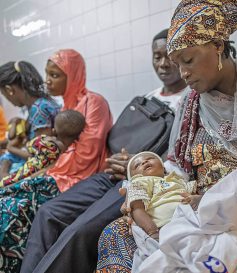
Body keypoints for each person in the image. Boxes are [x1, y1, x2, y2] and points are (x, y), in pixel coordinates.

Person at [96, 1, 237, 272]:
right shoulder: (191, 104)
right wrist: (145, 192)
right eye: (178, 64)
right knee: (116, 233)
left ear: (217, 45)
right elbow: (176, 166)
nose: (183, 73)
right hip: (196, 207)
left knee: (225, 259)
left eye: (188, 60)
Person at [19, 29, 187, 273]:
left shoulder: (188, 102)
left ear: (181, 56)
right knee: (48, 213)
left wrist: (137, 163)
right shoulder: (146, 99)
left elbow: (179, 156)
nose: (162, 64)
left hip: (139, 181)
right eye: (156, 56)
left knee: (80, 229)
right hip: (110, 172)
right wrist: (116, 158)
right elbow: (114, 139)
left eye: (168, 56)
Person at [0, 49, 112, 273]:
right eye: (47, 74)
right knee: (5, 194)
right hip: (55, 173)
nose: (47, 81)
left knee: (9, 208)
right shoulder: (65, 106)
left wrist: (48, 165)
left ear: (74, 75)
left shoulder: (94, 103)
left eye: (55, 75)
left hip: (75, 179)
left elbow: (85, 157)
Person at [0, 61, 60, 174]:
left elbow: (43, 158)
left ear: (9, 90)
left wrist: (11, 149)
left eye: (4, 94)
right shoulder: (36, 105)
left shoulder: (39, 108)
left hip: (46, 168)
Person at [0, 109, 85, 187]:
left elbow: (30, 146)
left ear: (54, 130)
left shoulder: (45, 141)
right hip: (37, 176)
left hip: (31, 168)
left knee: (10, 180)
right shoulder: (68, 152)